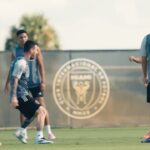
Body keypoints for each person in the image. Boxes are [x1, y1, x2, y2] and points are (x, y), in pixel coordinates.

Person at [4, 29, 55, 140]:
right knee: (41, 110)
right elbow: (15, 77)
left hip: (29, 87)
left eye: (25, 36)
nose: (36, 53)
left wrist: (42, 81)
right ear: (31, 50)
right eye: (35, 51)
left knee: (33, 113)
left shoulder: (24, 58)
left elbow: (40, 65)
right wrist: (13, 96)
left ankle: (22, 131)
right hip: (21, 93)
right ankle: (39, 138)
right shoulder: (21, 60)